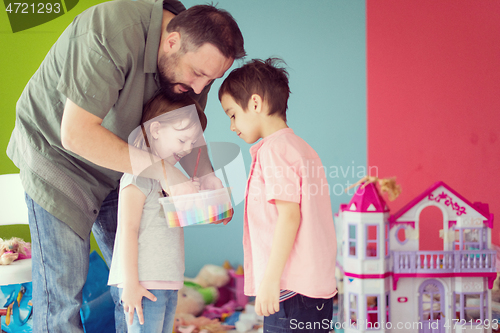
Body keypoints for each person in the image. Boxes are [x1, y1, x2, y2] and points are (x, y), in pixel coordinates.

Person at [6, 0, 245, 331]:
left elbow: (188, 132)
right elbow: (76, 135)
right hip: (58, 156)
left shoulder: (191, 65)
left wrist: (208, 189)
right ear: (172, 41)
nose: (200, 88)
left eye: (212, 80)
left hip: (123, 164)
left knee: (141, 280)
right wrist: (166, 172)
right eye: (199, 74)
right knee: (62, 296)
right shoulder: (110, 30)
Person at [218, 58, 337, 332]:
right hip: (315, 289)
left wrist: (270, 280)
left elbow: (289, 217)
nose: (232, 126)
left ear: (256, 104)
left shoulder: (273, 151)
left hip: (290, 289)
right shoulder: (301, 148)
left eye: (233, 114)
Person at [107, 93, 207, 332]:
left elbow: (173, 222)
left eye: (192, 142)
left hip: (168, 282)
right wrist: (130, 283)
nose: (188, 148)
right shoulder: (137, 175)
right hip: (143, 283)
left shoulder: (169, 181)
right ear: (156, 130)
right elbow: (127, 229)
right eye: (183, 140)